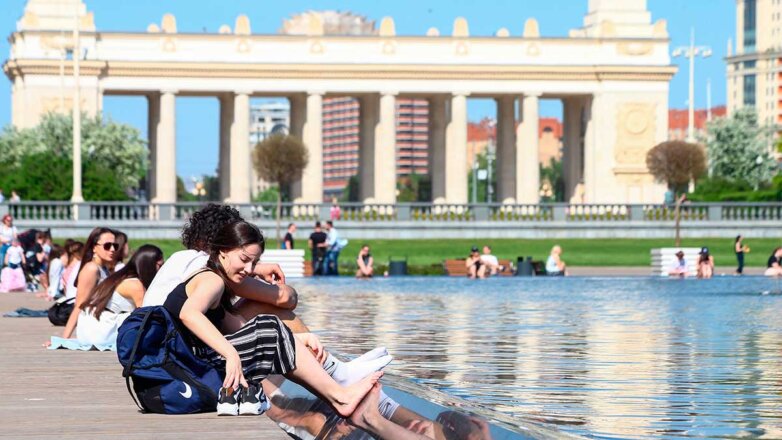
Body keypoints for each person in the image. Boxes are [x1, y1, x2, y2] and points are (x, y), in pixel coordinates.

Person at [162, 220, 382, 417]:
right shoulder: (212, 280)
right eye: (244, 259)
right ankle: (340, 396)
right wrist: (231, 355)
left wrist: (298, 338)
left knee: (271, 329)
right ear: (223, 251)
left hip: (189, 363)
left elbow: (237, 327)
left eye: (254, 262)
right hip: (186, 369)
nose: (249, 269)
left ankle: (336, 395)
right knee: (270, 328)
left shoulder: (216, 280)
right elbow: (189, 314)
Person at [78, 245, 164, 346]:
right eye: (160, 266)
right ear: (148, 265)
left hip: (86, 329)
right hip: (101, 333)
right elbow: (146, 317)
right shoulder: (136, 285)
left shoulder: (122, 275)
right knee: (145, 316)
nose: (162, 270)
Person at [60, 228, 117, 340]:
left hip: (102, 321)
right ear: (94, 247)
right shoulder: (91, 269)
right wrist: (64, 339)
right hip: (94, 326)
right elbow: (79, 305)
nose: (112, 249)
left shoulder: (104, 268)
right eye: (107, 245)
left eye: (115, 245)